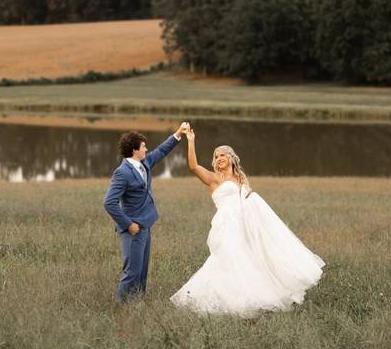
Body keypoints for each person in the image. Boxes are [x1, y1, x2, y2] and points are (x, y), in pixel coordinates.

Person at [170, 125, 324, 317]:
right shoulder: (214, 179)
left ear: (231, 158)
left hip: (245, 225)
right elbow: (193, 166)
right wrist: (191, 140)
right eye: (216, 156)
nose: (218, 159)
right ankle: (223, 299)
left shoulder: (241, 179)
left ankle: (250, 296)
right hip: (225, 225)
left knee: (249, 258)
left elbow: (248, 202)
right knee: (227, 259)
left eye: (222, 155)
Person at [103, 122, 187, 302]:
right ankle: (122, 308)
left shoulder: (145, 162)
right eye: (143, 146)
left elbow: (162, 150)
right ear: (134, 150)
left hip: (146, 225)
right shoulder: (122, 173)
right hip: (133, 229)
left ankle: (137, 306)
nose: (147, 149)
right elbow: (109, 203)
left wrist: (178, 133)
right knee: (132, 272)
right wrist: (128, 224)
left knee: (142, 271)